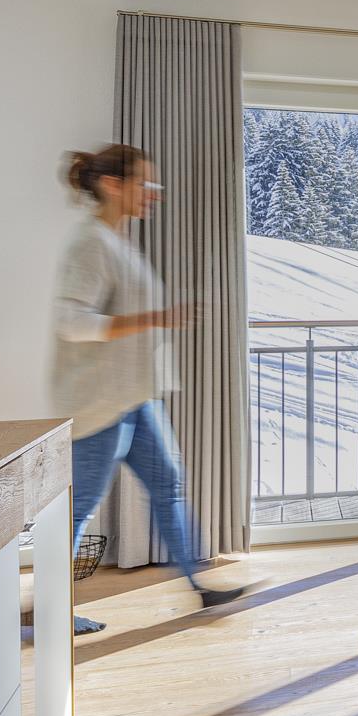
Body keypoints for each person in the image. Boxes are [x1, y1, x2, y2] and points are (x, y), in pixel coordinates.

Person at [52, 143, 246, 633]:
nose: (153, 194)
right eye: (144, 183)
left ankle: (200, 586)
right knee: (78, 510)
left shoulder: (118, 241)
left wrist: (153, 323)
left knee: (167, 484)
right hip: (99, 402)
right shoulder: (91, 243)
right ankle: (53, 613)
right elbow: (71, 322)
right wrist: (153, 319)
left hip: (133, 397)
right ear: (112, 185)